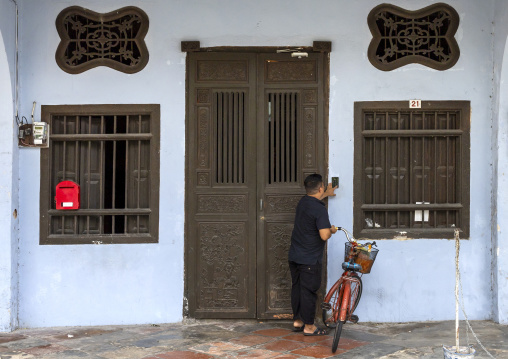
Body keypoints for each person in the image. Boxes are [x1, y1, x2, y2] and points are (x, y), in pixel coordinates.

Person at [288, 173, 337, 336]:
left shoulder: (303, 202)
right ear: (321, 187)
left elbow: (315, 200)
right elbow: (324, 235)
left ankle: (298, 321)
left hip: (295, 256)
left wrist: (326, 194)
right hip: (309, 258)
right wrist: (331, 230)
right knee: (308, 291)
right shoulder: (319, 209)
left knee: (297, 288)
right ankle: (309, 327)